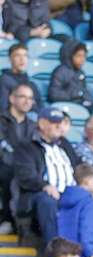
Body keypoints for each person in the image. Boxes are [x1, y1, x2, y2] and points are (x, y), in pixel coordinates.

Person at [15, 107, 81, 244]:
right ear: (42, 124)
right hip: (40, 195)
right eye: (54, 123)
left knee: (90, 201)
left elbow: (79, 166)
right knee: (48, 201)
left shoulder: (65, 144)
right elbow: (25, 175)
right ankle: (54, 251)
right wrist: (45, 185)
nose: (59, 126)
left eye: (61, 123)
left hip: (69, 192)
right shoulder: (27, 146)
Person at [0, 82, 35, 231]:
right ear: (12, 99)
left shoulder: (33, 125)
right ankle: (7, 220)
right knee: (10, 172)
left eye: (30, 98)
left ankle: (25, 225)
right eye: (23, 97)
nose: (27, 101)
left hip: (23, 167)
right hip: (4, 164)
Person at [48, 40, 93, 110]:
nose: (82, 59)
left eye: (84, 56)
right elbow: (54, 94)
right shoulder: (60, 71)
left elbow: (83, 90)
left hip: (79, 104)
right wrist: (75, 94)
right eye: (79, 56)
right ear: (70, 56)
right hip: (65, 106)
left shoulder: (81, 73)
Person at [0, 43, 42, 113]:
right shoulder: (4, 80)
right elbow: (3, 108)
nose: (22, 59)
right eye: (17, 55)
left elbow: (40, 108)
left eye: (25, 56)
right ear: (10, 59)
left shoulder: (31, 84)